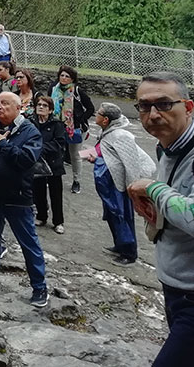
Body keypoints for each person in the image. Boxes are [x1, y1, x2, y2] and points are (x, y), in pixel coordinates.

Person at [126, 73, 194, 367]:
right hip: (174, 287)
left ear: (189, 107)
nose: (153, 114)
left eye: (164, 104)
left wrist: (152, 188)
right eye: (144, 106)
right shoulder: (166, 146)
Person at [0, 92, 49, 309]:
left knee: (29, 243)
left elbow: (26, 160)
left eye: (5, 104)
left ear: (18, 108)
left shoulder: (30, 132)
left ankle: (39, 287)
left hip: (18, 198)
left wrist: (4, 144)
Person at [81, 102, 155, 264]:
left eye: (99, 113)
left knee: (122, 216)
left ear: (106, 119)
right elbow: (105, 154)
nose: (96, 115)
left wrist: (133, 189)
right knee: (112, 215)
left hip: (120, 186)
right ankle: (119, 245)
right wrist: (85, 155)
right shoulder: (107, 133)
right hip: (109, 185)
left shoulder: (121, 136)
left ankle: (129, 254)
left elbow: (131, 164)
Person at [50, 65, 94, 194]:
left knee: (75, 155)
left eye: (67, 76)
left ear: (72, 79)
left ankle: (76, 181)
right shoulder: (54, 89)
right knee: (55, 152)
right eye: (62, 75)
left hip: (75, 128)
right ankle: (51, 177)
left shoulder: (77, 91)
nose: (63, 78)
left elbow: (90, 108)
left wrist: (79, 120)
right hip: (57, 126)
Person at [31, 95, 68, 235]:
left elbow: (59, 143)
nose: (41, 107)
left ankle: (58, 221)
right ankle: (41, 216)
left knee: (56, 193)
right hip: (37, 163)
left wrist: (40, 147)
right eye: (39, 104)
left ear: (51, 110)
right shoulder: (31, 122)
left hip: (53, 163)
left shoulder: (57, 124)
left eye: (45, 105)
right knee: (38, 191)